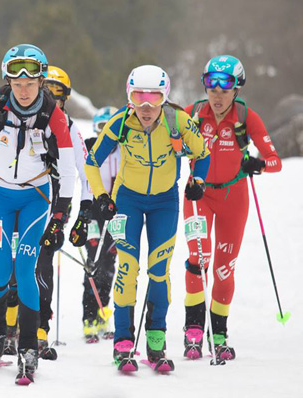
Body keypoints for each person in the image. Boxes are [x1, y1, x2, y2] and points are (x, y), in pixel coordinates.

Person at [0, 44, 75, 383]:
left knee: (25, 270)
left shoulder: (54, 114)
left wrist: (61, 214)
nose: (23, 90)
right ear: (8, 81)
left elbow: (67, 171)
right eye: (17, 83)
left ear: (40, 82)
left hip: (36, 199)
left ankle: (28, 346)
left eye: (30, 84)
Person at [85, 65, 210, 371]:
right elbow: (92, 161)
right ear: (129, 97)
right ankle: (123, 342)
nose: (146, 106)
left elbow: (202, 154)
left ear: (164, 98)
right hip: (127, 200)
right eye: (138, 97)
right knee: (127, 269)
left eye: (153, 98)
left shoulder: (177, 120)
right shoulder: (120, 122)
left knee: (158, 271)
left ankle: (156, 343)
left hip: (164, 203)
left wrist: (199, 182)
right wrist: (102, 196)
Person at [182, 55, 282, 360]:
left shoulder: (246, 118)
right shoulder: (193, 114)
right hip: (198, 196)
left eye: (224, 87)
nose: (217, 93)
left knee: (224, 269)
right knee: (198, 258)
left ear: (237, 88)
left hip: (233, 199)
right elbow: (166, 142)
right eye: (210, 85)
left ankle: (220, 333)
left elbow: (275, 161)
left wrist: (258, 164)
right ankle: (194, 332)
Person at [31, 65, 91, 358]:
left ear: (65, 98)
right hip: (23, 198)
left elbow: (86, 171)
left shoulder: (68, 126)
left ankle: (40, 327)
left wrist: (84, 213)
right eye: (47, 91)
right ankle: (10, 325)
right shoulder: (25, 117)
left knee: (42, 263)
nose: (52, 98)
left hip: (56, 204)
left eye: (58, 93)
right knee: (14, 262)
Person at [81, 106, 121, 343]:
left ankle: (103, 313)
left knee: (109, 264)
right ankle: (88, 317)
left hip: (115, 212)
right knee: (92, 263)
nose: (104, 133)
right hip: (93, 212)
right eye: (99, 127)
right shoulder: (89, 148)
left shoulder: (123, 150)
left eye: (109, 128)